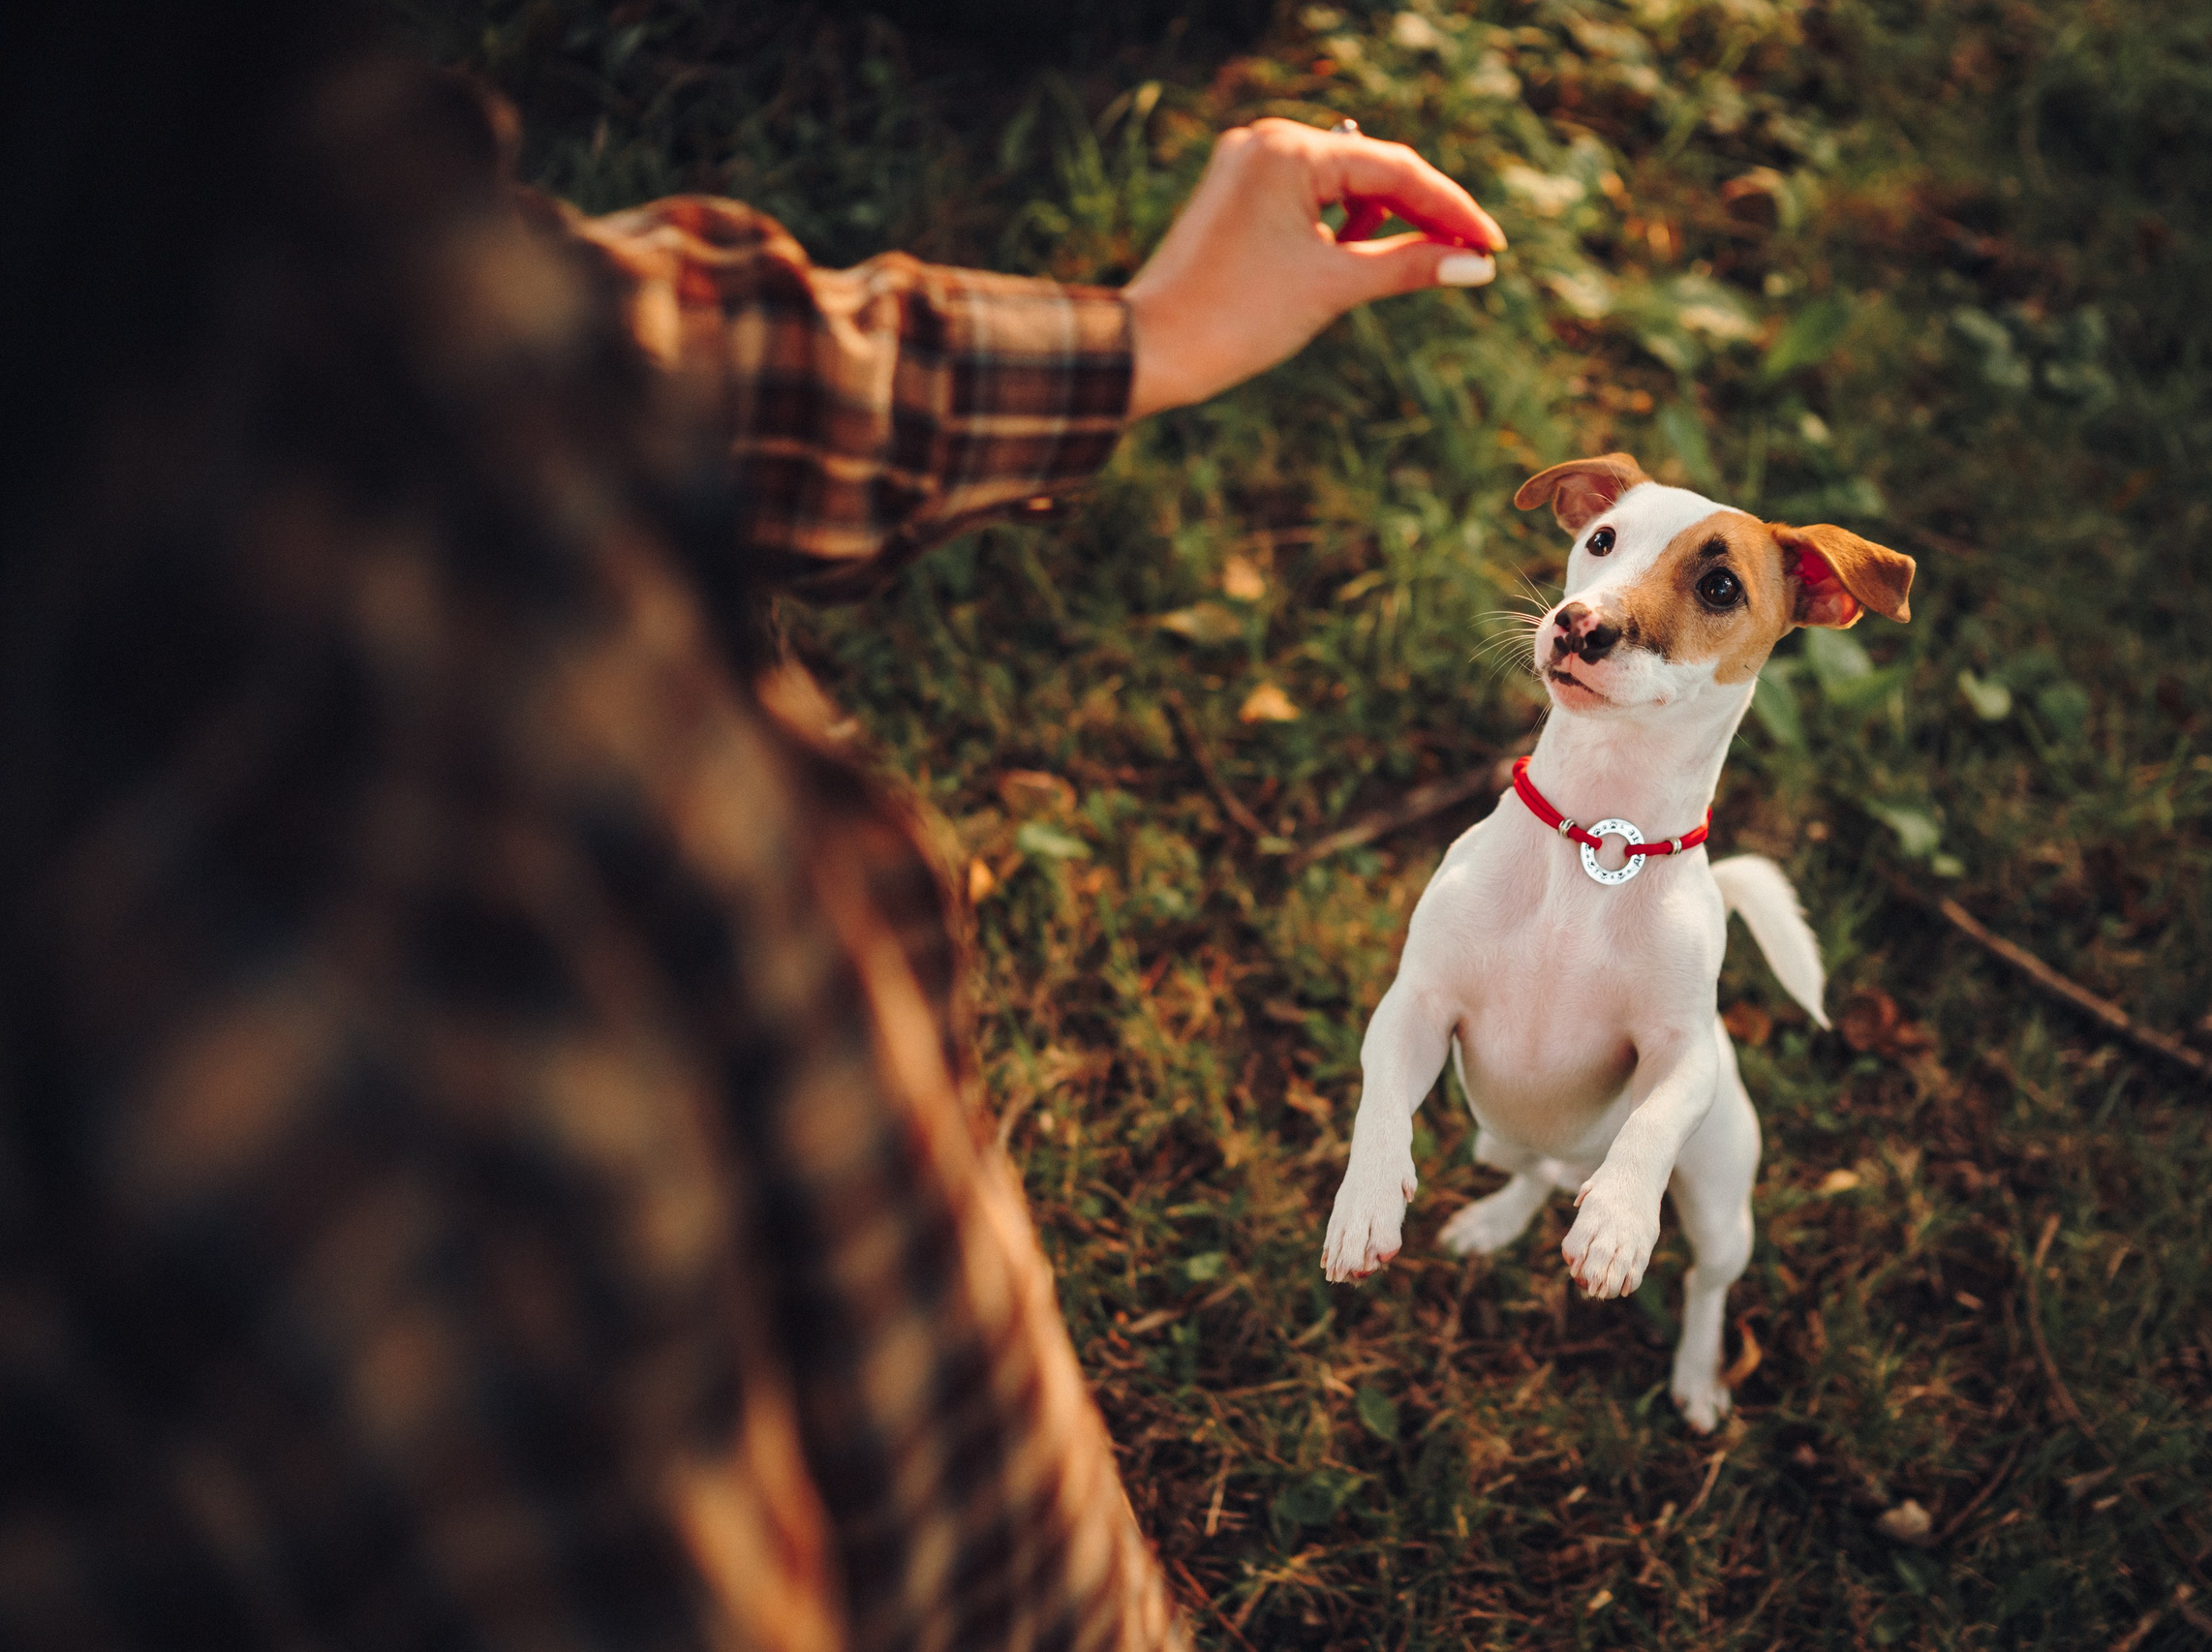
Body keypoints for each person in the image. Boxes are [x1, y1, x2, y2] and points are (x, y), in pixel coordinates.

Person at [0, 10, 1503, 1649]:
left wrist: (1132, 339)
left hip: (977, 1514)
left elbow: (537, 330)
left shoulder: (205, 220)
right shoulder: (212, 987)